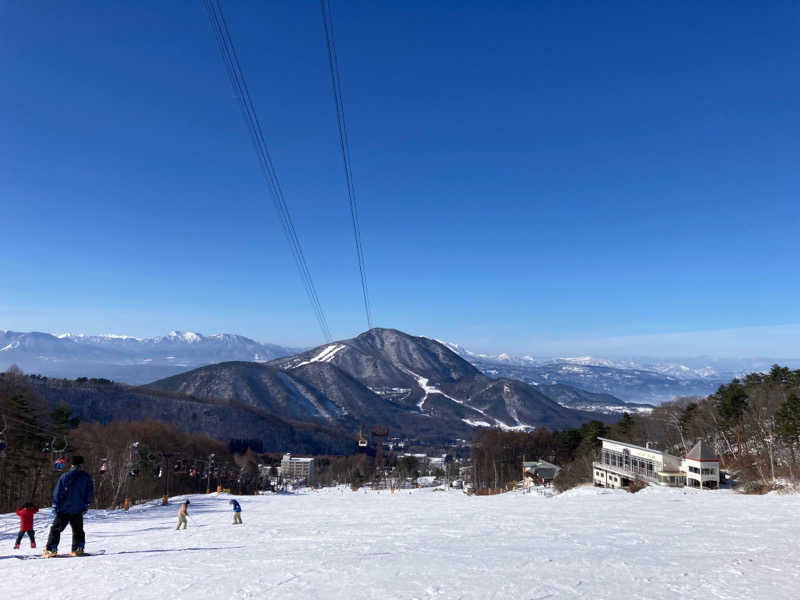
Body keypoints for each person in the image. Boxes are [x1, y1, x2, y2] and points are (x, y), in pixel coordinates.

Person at [43, 455, 94, 558]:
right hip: (78, 509)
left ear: (72, 465)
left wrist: (55, 505)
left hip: (64, 509)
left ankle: (51, 549)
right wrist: (86, 505)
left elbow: (58, 492)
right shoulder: (87, 478)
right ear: (82, 464)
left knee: (56, 529)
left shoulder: (65, 476)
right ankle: (78, 548)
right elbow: (89, 493)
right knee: (78, 529)